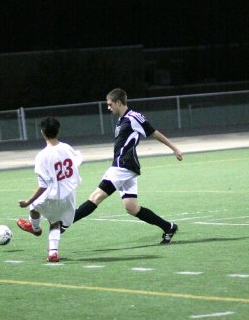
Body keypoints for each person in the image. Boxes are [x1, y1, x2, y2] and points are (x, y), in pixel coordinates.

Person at [71, 88, 183, 244]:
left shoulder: (133, 117)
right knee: (132, 208)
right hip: (124, 166)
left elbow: (153, 132)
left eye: (110, 104)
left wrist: (174, 148)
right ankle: (168, 227)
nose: (108, 108)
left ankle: (63, 224)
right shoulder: (121, 119)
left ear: (118, 102)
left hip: (123, 166)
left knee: (96, 197)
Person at [17, 117, 82, 262]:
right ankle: (53, 253)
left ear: (42, 133)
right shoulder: (66, 147)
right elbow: (77, 161)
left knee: (34, 207)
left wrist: (28, 201)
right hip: (69, 196)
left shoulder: (42, 156)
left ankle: (35, 228)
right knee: (55, 222)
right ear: (58, 130)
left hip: (53, 196)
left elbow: (43, 185)